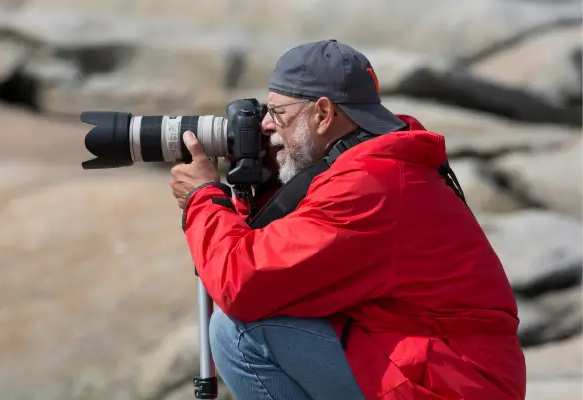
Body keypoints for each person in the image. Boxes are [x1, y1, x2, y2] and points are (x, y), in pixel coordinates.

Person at [170, 40, 526, 400]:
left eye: (278, 112)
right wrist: (257, 186)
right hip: (436, 368)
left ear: (323, 114)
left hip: (449, 385)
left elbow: (242, 283)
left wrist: (203, 199)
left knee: (240, 332)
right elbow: (280, 261)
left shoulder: (372, 184)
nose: (265, 125)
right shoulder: (368, 163)